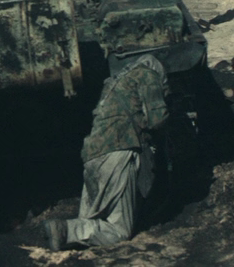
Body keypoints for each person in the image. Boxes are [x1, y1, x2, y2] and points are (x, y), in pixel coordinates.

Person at [44, 54, 169, 251]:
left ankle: (67, 235)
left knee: (92, 220)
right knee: (119, 232)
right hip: (118, 152)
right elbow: (157, 119)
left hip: (92, 156)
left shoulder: (115, 83)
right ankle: (64, 229)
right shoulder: (148, 74)